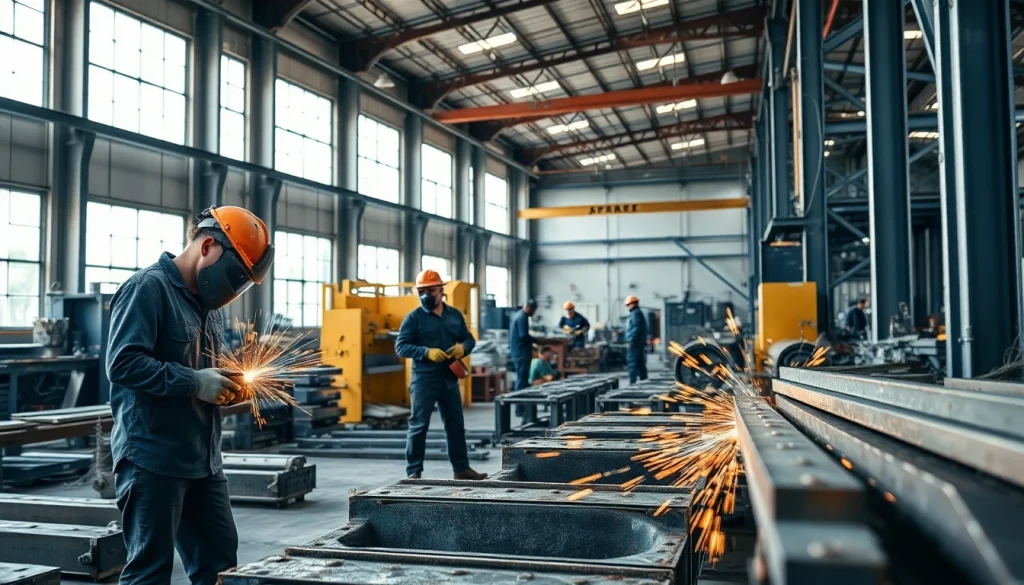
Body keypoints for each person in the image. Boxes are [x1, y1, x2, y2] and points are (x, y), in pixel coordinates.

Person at [106, 206, 275, 585]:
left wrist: (226, 384)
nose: (235, 287)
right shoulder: (147, 288)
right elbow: (122, 365)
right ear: (208, 245)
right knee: (149, 571)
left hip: (203, 460)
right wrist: (195, 382)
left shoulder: (208, 306)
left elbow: (203, 368)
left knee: (220, 564)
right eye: (236, 275)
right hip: (153, 458)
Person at [395, 269, 487, 481]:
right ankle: (414, 473)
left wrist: (463, 348)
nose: (426, 295)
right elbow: (401, 347)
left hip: (449, 380)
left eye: (431, 290)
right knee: (419, 426)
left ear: (441, 291)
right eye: (422, 291)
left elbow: (469, 339)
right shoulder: (413, 319)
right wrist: (426, 352)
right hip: (424, 381)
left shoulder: (454, 315)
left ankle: (461, 469)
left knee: (455, 425)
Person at [509, 298, 538, 393]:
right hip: (521, 352)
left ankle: (521, 404)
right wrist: (537, 340)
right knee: (522, 378)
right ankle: (520, 405)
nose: (533, 313)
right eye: (533, 310)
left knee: (522, 377)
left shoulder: (518, 315)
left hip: (518, 351)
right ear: (529, 308)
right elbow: (523, 335)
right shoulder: (522, 317)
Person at [624, 295, 648, 384]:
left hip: (634, 344)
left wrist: (631, 339)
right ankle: (644, 383)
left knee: (632, 364)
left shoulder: (635, 313)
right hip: (639, 344)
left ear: (633, 304)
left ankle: (632, 384)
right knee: (640, 365)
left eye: (628, 305)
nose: (627, 307)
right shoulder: (638, 313)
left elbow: (636, 328)